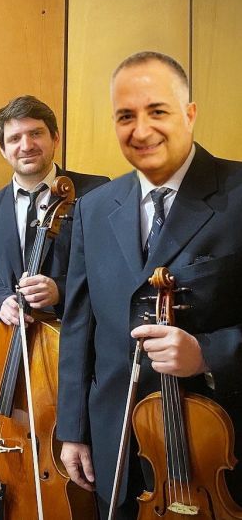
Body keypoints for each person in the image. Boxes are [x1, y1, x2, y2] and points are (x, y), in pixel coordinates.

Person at [57, 51, 242, 518]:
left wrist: (209, 353)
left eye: (157, 111)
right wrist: (73, 429)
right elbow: (79, 327)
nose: (141, 131)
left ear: (189, 113)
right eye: (126, 116)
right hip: (115, 443)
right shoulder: (94, 207)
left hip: (213, 451)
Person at [0, 95, 108, 326]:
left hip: (80, 334)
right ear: (3, 149)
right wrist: (0, 301)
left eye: (36, 133)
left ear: (55, 138)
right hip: (16, 336)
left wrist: (60, 289)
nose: (26, 146)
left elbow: (112, 267)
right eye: (14, 138)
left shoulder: (96, 192)